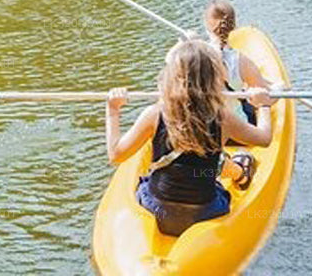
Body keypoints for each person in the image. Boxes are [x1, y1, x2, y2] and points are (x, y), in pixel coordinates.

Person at [105, 40, 274, 237]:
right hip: (205, 210)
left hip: (156, 206)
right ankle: (236, 169)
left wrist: (112, 110)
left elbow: (115, 155)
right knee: (203, 173)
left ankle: (230, 168)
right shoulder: (223, 117)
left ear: (170, 78)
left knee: (153, 181)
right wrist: (263, 105)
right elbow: (264, 138)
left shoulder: (155, 114)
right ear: (213, 78)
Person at [200, 0, 275, 123]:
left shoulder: (194, 54)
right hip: (236, 129)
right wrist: (281, 89)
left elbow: (171, 60)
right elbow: (264, 99)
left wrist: (184, 42)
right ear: (233, 26)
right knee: (273, 88)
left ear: (206, 25)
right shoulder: (241, 61)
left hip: (203, 127)